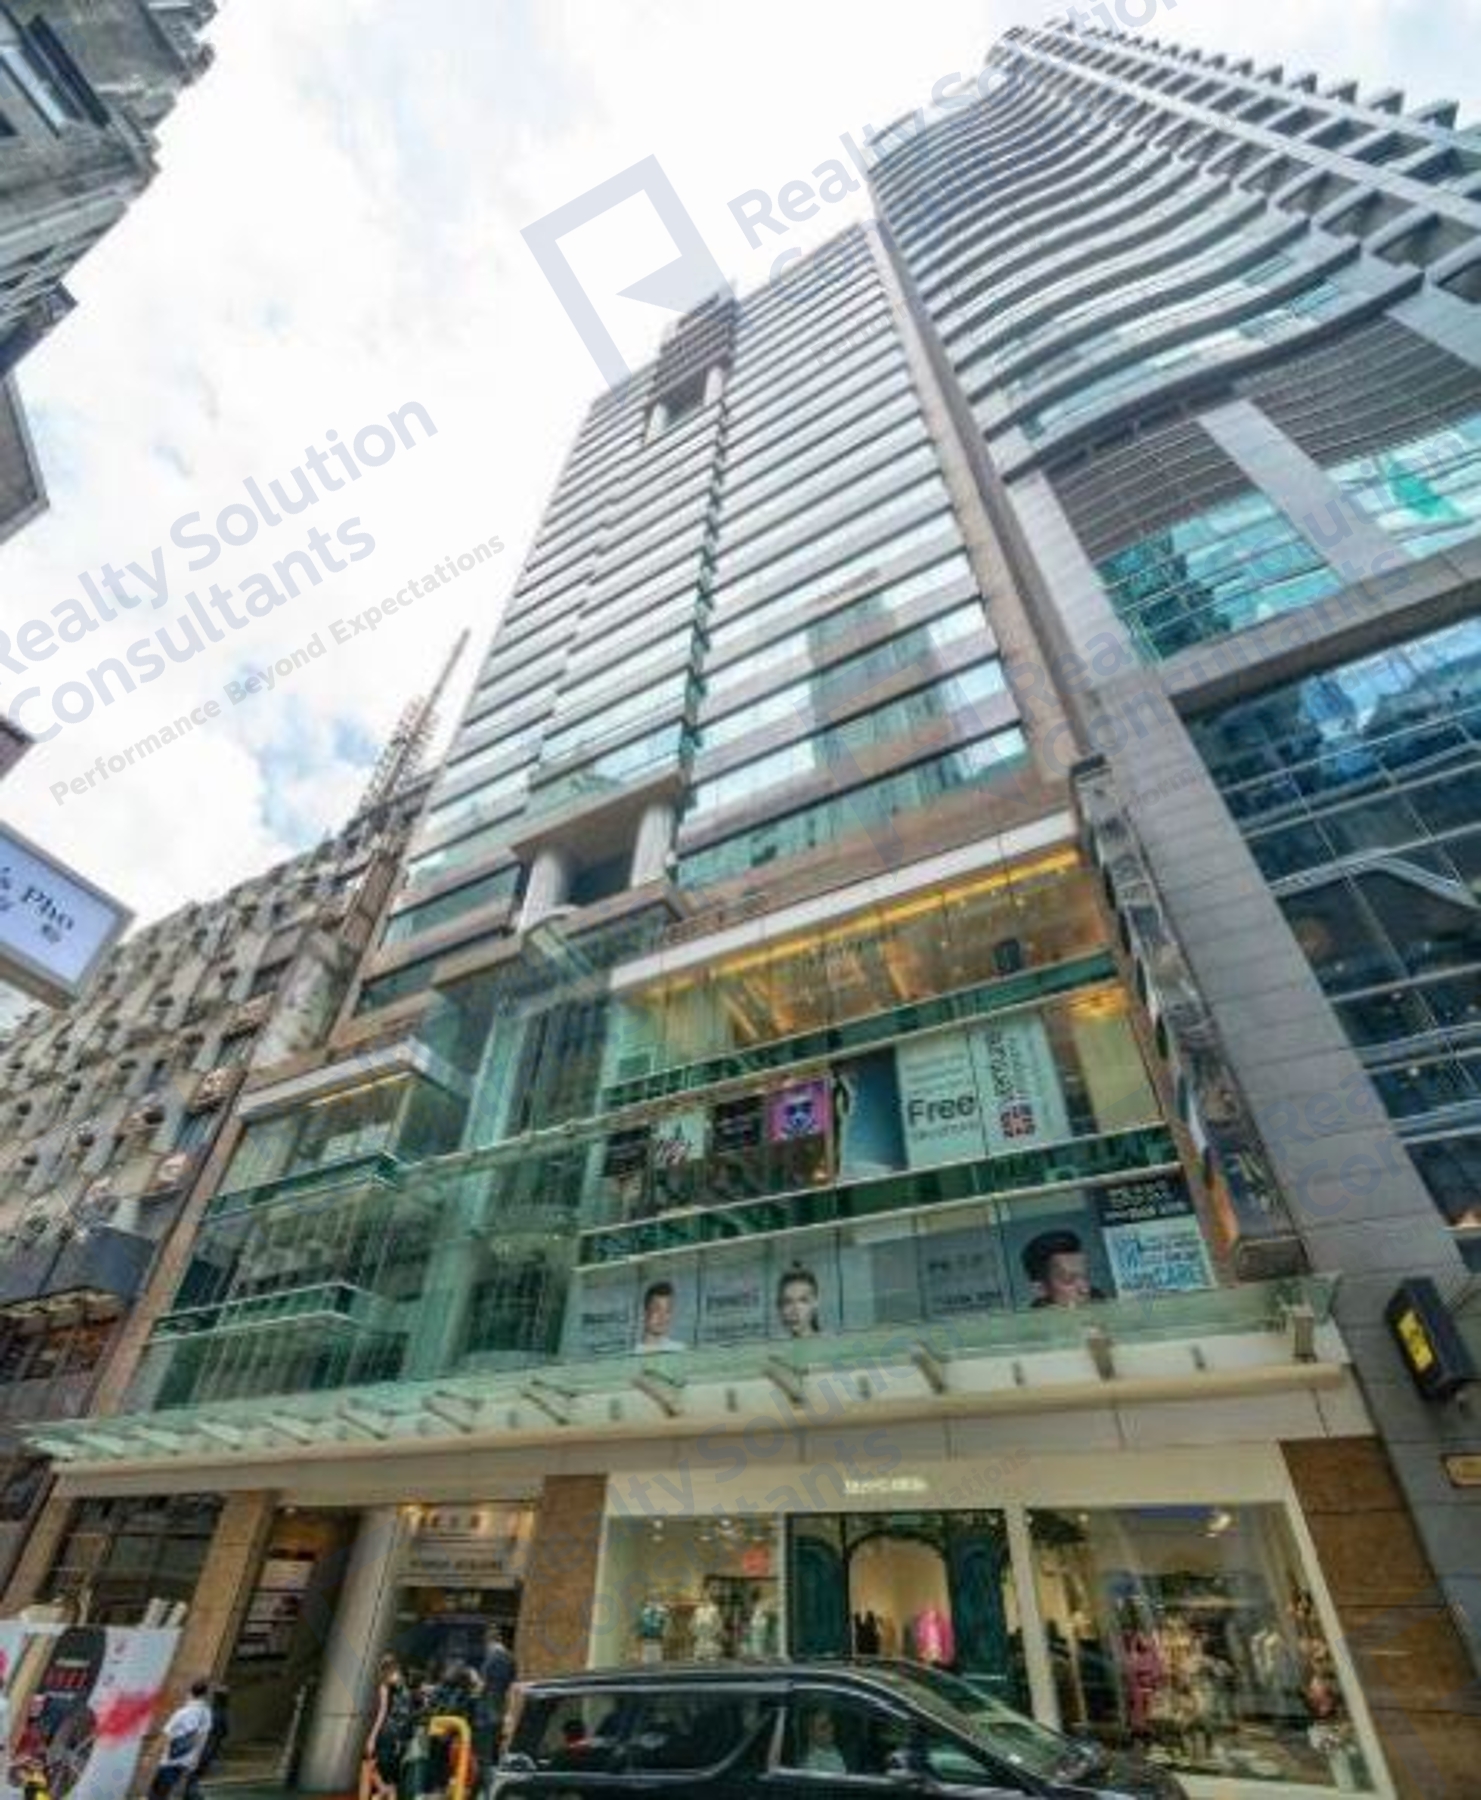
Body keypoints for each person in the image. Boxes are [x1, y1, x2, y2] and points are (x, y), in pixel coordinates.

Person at [149, 1680, 214, 1800]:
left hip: (171, 1759)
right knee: (167, 1791)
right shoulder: (207, 1713)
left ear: (190, 1693)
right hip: (187, 1760)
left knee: (157, 1794)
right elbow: (203, 1737)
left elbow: (165, 1735)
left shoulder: (182, 1713)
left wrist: (151, 1754)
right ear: (204, 1695)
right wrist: (196, 1759)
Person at [362, 1654, 413, 1800]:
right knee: (392, 1780)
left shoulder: (385, 1685)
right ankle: (384, 1792)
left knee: (370, 1765)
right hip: (401, 1736)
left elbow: (382, 1712)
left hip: (388, 1733)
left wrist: (372, 1737)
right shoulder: (406, 1686)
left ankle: (382, 1792)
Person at [1022, 1230, 1106, 1308]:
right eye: (1068, 1280)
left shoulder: (1102, 1305)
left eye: (1086, 1277)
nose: (1085, 1289)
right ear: (1040, 1289)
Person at [184, 1686, 229, 1800]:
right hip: (208, 1747)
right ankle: (191, 1793)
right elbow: (224, 1732)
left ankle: (191, 1793)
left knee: (194, 1772)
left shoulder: (209, 1711)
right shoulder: (221, 1713)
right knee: (196, 1772)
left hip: (202, 1746)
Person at [635, 1280, 685, 1353]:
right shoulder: (634, 1354)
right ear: (645, 1313)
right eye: (656, 1309)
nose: (662, 1317)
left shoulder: (680, 1350)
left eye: (667, 1311)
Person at [776, 1266, 823, 1337]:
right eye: (788, 1302)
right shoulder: (774, 1343)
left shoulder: (831, 1342)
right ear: (779, 1306)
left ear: (815, 1302)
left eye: (803, 1301)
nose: (795, 1310)